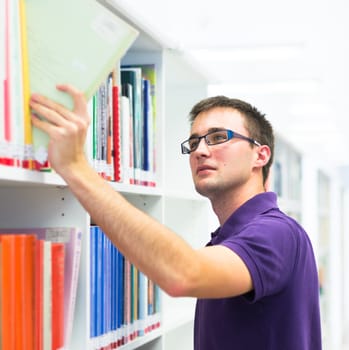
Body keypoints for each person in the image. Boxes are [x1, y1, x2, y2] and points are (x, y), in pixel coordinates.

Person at [30, 85, 322, 350]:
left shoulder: (276, 233)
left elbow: (184, 274)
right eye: (194, 143)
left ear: (261, 155)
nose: (201, 151)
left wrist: (76, 167)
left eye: (219, 137)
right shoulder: (230, 238)